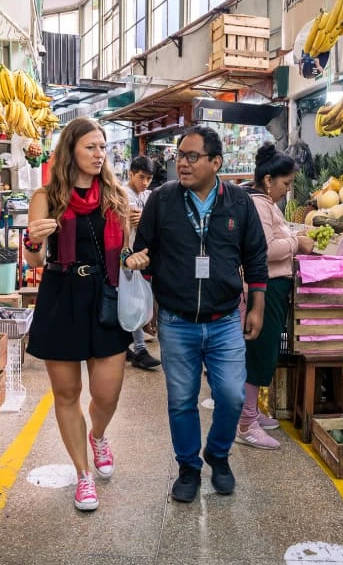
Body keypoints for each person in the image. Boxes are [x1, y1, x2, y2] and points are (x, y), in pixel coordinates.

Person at [125, 126, 268, 503]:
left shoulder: (239, 202)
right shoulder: (163, 200)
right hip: (176, 320)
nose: (182, 163)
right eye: (179, 156)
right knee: (181, 400)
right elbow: (146, 250)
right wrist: (147, 284)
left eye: (191, 156)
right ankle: (188, 467)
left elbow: (255, 257)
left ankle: (218, 456)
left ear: (215, 162)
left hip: (224, 321)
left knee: (232, 395)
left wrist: (257, 305)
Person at [24, 117, 149, 511]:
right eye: (90, 147)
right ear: (70, 151)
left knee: (107, 394)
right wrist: (32, 240)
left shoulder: (115, 194)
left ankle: (97, 434)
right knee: (67, 394)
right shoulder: (46, 197)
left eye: (103, 148)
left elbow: (127, 252)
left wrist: (135, 251)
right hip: (61, 295)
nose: (99, 155)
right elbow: (33, 258)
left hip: (106, 296)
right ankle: (82, 474)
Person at [235, 143, 315, 450]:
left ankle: (251, 412)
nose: (287, 190)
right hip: (263, 288)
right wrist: (296, 243)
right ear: (268, 180)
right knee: (257, 353)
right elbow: (265, 249)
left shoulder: (267, 204)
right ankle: (246, 423)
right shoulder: (258, 205)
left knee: (263, 350)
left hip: (272, 288)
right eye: (285, 183)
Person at [123, 155, 161, 370]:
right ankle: (139, 348)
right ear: (131, 174)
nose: (144, 182)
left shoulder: (149, 196)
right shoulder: (122, 194)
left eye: (148, 178)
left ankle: (128, 346)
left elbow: (155, 221)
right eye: (141, 177)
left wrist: (145, 217)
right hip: (124, 256)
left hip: (144, 257)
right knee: (133, 301)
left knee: (135, 301)